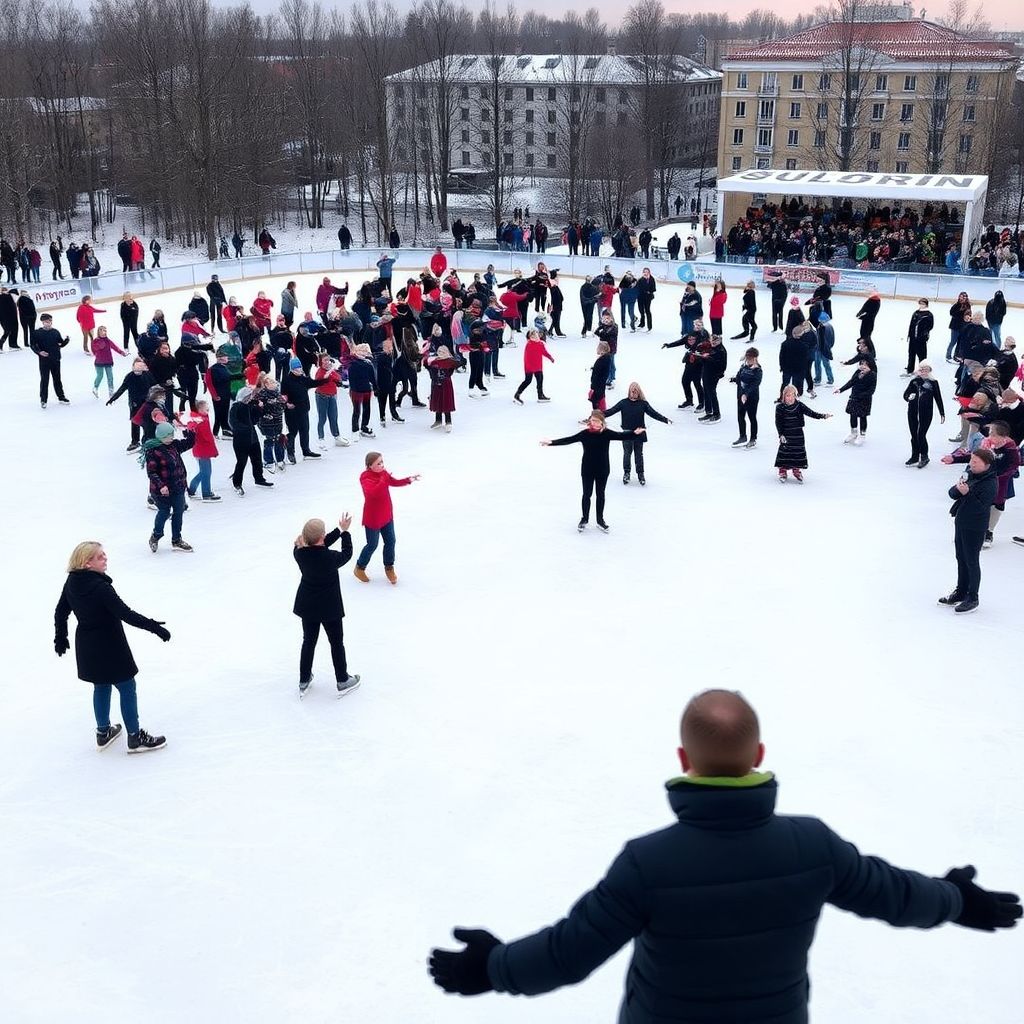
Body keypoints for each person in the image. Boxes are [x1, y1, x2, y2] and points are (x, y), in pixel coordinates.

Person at [429, 689, 1020, 1018]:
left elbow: (570, 952)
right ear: (759, 752)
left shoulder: (647, 864)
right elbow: (894, 894)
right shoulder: (812, 845)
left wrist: (492, 967)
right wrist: (956, 899)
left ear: (684, 761)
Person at [54, 542, 170, 752]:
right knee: (126, 686)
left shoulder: (72, 581)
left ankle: (103, 732)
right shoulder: (100, 588)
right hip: (110, 645)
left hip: (88, 646)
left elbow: (61, 611)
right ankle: (135, 737)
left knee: (101, 685)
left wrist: (60, 637)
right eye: (100, 557)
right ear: (87, 563)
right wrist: (154, 627)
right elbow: (126, 614)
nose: (105, 558)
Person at [540, 409, 645, 532]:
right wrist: (551, 442)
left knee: (600, 494)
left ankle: (600, 521)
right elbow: (568, 440)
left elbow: (621, 436)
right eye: (592, 421)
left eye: (596, 421)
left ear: (602, 422)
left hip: (603, 469)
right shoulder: (584, 434)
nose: (594, 423)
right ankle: (584, 519)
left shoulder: (606, 433)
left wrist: (635, 433)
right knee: (587, 494)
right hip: (587, 469)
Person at [293, 515, 360, 698]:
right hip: (330, 608)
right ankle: (342, 679)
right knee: (336, 643)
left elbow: (318, 544)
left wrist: (338, 531)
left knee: (309, 642)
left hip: (308, 607)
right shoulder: (330, 558)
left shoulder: (299, 553)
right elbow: (347, 553)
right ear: (321, 537)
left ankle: (304, 678)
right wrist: (345, 532)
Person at [939, 447, 997, 614]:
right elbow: (952, 493)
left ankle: (973, 597)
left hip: (975, 525)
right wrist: (958, 489)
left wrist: (968, 493)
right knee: (961, 557)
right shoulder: (970, 474)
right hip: (961, 522)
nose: (971, 464)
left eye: (975, 462)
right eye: (971, 460)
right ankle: (961, 591)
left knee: (971, 560)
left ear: (987, 465)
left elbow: (981, 507)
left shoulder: (990, 482)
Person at [352, 451, 420, 584]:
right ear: (370, 465)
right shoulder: (365, 478)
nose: (382, 465)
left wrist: (409, 480)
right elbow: (373, 493)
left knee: (391, 541)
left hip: (387, 515)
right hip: (373, 518)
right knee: (372, 544)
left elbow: (393, 482)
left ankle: (389, 567)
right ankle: (360, 567)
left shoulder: (383, 473)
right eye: (378, 463)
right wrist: (383, 479)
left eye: (382, 461)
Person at [604, 383, 671, 485]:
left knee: (639, 454)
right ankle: (626, 473)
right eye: (632, 390)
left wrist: (665, 420)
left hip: (639, 432)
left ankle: (640, 474)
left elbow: (654, 413)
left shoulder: (643, 404)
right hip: (626, 433)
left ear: (639, 392)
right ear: (629, 391)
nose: (634, 392)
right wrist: (598, 415)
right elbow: (611, 411)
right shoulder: (623, 403)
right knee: (627, 453)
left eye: (636, 390)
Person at [144, 422, 195, 552]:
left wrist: (190, 431)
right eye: (168, 436)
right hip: (161, 491)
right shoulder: (153, 451)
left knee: (179, 511)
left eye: (172, 435)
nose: (171, 438)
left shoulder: (174, 445)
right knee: (164, 512)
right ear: (160, 436)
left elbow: (189, 443)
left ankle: (177, 539)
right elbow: (152, 472)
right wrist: (161, 486)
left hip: (178, 486)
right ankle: (156, 536)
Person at [775, 384, 832, 482]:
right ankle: (782, 470)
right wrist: (781, 435)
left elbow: (811, 413)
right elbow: (778, 422)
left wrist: (823, 416)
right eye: (788, 395)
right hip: (786, 433)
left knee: (798, 452)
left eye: (793, 395)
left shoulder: (799, 405)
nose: (791, 398)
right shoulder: (780, 407)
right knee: (785, 452)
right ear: (784, 396)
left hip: (798, 433)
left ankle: (796, 469)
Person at [228, 386, 273, 495]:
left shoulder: (250, 406)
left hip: (253, 439)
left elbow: (253, 420)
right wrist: (244, 428)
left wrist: (259, 409)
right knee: (241, 462)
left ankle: (259, 478)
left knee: (257, 459)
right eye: (248, 396)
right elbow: (233, 422)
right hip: (241, 440)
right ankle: (237, 483)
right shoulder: (235, 407)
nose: (250, 398)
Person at [903, 364, 945, 468]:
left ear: (929, 371)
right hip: (913, 411)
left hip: (926, 413)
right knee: (914, 435)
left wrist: (942, 412)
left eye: (925, 370)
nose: (923, 371)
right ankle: (915, 456)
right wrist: (909, 397)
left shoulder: (933, 383)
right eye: (921, 369)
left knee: (921, 434)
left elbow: (938, 398)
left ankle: (924, 456)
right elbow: (905, 394)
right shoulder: (914, 382)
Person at [31, 313, 70, 409]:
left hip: (55, 359)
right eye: (46, 322)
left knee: (57, 379)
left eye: (49, 321)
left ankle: (61, 397)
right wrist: (39, 352)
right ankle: (43, 399)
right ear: (42, 322)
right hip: (44, 360)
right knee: (45, 379)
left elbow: (60, 344)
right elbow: (33, 345)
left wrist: (66, 341)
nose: (48, 323)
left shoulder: (55, 332)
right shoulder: (37, 333)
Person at [836, 357, 877, 446]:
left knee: (863, 416)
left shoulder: (872, 375)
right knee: (852, 415)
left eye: (865, 364)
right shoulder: (858, 372)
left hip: (864, 399)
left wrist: (860, 395)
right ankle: (853, 432)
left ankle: (862, 435)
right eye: (861, 364)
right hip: (854, 397)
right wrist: (840, 390)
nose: (863, 366)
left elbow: (871, 390)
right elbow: (851, 382)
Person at [731, 347, 762, 449]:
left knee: (752, 417)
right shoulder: (743, 367)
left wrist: (746, 394)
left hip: (751, 397)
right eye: (747, 357)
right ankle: (742, 436)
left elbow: (755, 384)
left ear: (755, 358)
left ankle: (753, 439)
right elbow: (739, 377)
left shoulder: (757, 370)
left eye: (750, 358)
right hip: (740, 395)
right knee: (740, 416)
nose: (748, 360)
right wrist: (734, 379)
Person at [513, 329, 554, 404]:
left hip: (538, 366)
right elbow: (527, 357)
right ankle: (517, 394)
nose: (535, 337)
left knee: (540, 379)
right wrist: (529, 367)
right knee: (528, 381)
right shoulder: (529, 344)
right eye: (533, 336)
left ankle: (540, 395)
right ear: (529, 338)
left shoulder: (540, 344)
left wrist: (550, 357)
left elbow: (544, 352)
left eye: (536, 335)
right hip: (530, 367)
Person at [426, 345, 459, 432]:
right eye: (439, 351)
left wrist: (444, 374)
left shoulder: (450, 362)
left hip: (446, 385)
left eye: (443, 352)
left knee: (446, 402)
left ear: (447, 353)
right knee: (437, 401)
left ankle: (448, 422)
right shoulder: (434, 362)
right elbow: (431, 372)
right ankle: (438, 420)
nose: (440, 353)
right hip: (436, 385)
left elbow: (451, 370)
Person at [91, 326, 127, 399]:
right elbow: (94, 349)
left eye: (105, 331)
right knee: (100, 375)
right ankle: (95, 387)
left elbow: (114, 347)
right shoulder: (95, 341)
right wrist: (99, 346)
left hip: (108, 361)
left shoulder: (107, 340)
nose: (104, 333)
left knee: (110, 377)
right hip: (99, 362)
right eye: (102, 331)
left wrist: (121, 352)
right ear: (99, 332)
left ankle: (111, 391)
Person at [905, 298, 934, 377]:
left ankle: (923, 371)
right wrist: (910, 335)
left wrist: (924, 333)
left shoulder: (928, 314)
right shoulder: (916, 313)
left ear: (926, 304)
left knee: (922, 356)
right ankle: (910, 369)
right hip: (913, 338)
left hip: (921, 339)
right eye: (920, 303)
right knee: (911, 354)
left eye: (923, 304)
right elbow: (911, 324)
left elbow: (930, 326)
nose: (921, 305)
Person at [813, 311, 835, 387]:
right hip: (827, 349)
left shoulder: (820, 328)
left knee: (817, 364)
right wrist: (829, 346)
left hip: (819, 349)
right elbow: (832, 339)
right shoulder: (830, 326)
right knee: (826, 364)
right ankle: (830, 379)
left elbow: (818, 339)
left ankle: (818, 379)